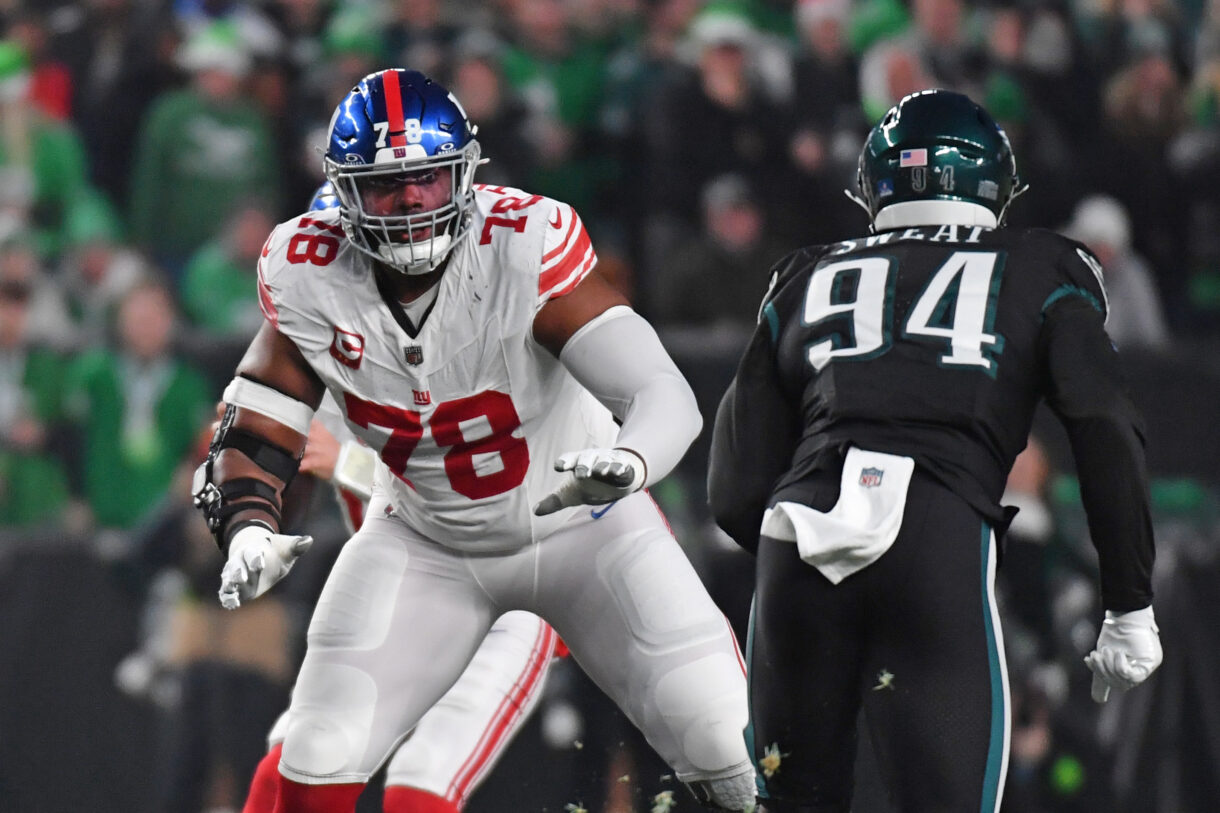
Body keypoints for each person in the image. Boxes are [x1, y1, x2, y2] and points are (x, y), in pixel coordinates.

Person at [193, 68, 754, 813]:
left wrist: (632, 458)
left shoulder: (524, 243)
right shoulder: (308, 270)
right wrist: (247, 529)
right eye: (385, 184)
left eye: (428, 176)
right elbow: (257, 431)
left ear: (464, 171)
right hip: (428, 541)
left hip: (584, 525)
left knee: (727, 743)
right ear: (344, 192)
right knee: (316, 753)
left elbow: (660, 390)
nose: (411, 199)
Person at [708, 89, 1161, 813]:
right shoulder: (1043, 263)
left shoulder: (803, 273)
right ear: (996, 186)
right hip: (935, 533)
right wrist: (1129, 601)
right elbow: (1103, 417)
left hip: (795, 538)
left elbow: (733, 490)